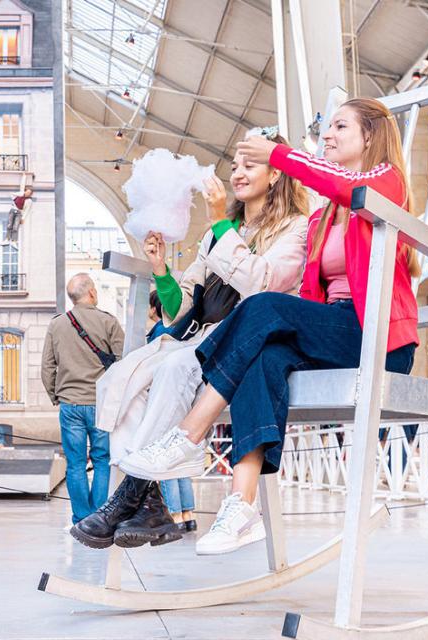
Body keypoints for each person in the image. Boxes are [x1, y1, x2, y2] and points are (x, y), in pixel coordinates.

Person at [104, 98, 422, 557]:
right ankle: (241, 508)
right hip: (333, 330)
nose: (327, 135)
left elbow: (342, 187)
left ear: (369, 135)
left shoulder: (385, 181)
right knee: (263, 354)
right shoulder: (322, 216)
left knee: (264, 307)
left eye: (339, 126)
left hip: (376, 335)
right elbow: (307, 292)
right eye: (326, 127)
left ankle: (188, 435)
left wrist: (276, 154)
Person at [73, 128, 309, 550]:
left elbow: (262, 284)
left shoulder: (294, 229)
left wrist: (219, 222)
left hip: (243, 345)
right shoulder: (216, 233)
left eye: (250, 164)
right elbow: (182, 308)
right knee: (123, 378)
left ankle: (129, 497)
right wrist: (161, 269)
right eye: (234, 164)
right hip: (197, 337)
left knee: (173, 369)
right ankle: (150, 506)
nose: (237, 172)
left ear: (276, 175)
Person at [41, 274, 125, 524]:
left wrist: (56, 395)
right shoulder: (108, 322)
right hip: (101, 405)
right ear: (92, 293)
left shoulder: (57, 325)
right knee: (101, 460)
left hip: (71, 404)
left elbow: (47, 367)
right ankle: (99, 518)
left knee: (75, 463)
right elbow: (124, 363)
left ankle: (81, 517)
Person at [1, 184, 34, 248]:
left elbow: (27, 210)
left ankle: (14, 241)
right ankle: (7, 239)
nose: (27, 193)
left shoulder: (29, 201)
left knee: (15, 227)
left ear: (30, 194)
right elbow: (12, 194)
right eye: (27, 191)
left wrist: (23, 218)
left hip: (19, 213)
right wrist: (21, 193)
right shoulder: (19, 195)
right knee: (9, 225)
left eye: (29, 193)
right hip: (13, 210)